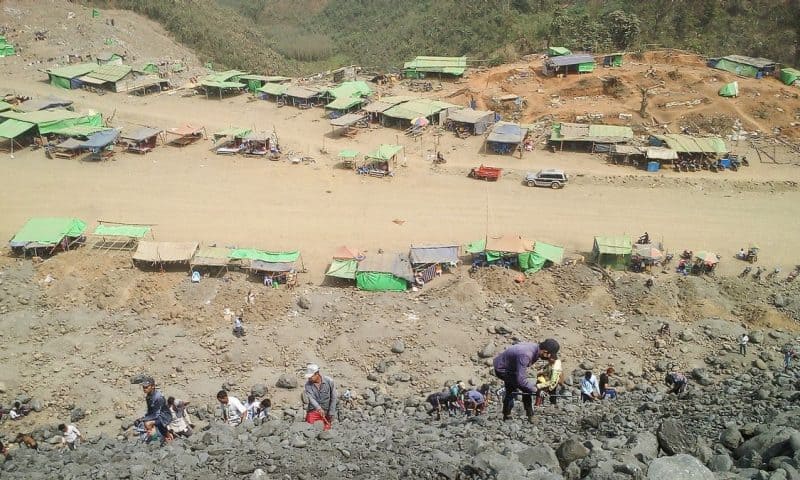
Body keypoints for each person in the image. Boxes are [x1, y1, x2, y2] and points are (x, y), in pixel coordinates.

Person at [492, 338, 560, 423]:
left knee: (522, 387)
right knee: (515, 388)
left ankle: (510, 414)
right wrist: (537, 391)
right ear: (545, 352)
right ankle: (512, 415)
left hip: (510, 366)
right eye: (550, 355)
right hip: (502, 369)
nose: (550, 357)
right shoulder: (526, 355)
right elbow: (521, 381)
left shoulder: (534, 348)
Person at [304, 364, 337, 431]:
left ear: (317, 374)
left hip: (326, 410)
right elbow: (311, 399)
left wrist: (331, 412)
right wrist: (319, 408)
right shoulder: (308, 385)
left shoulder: (329, 381)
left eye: (311, 377)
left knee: (327, 427)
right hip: (315, 410)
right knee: (310, 425)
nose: (309, 379)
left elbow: (334, 397)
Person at [139, 377, 173, 442]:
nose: (144, 389)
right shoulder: (149, 396)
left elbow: (156, 414)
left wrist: (145, 419)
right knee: (141, 423)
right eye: (143, 387)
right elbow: (150, 410)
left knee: (148, 423)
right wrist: (143, 418)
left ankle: (156, 440)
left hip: (164, 417)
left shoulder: (158, 397)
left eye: (146, 387)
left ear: (153, 386)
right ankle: (156, 435)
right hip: (156, 415)